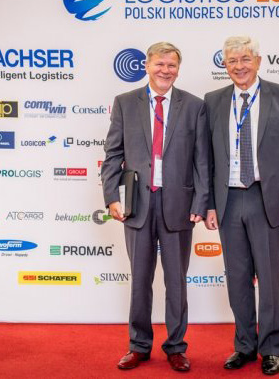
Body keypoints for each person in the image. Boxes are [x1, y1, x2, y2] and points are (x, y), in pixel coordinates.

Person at [101, 42, 209, 372]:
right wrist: (112, 197)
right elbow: (113, 155)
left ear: (178, 69)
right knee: (140, 280)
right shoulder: (125, 103)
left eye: (171, 65)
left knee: (176, 281)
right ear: (146, 66)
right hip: (137, 205)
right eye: (160, 64)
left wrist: (201, 201)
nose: (165, 70)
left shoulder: (194, 106)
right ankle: (139, 345)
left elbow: (202, 160)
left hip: (179, 205)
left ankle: (176, 346)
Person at [204, 36, 279, 375]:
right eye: (232, 61)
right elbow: (207, 158)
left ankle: (271, 349)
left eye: (245, 59)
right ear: (225, 65)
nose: (239, 66)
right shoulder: (213, 101)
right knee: (237, 278)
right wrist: (209, 204)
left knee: (269, 278)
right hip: (229, 199)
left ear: (258, 61)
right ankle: (245, 346)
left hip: (268, 200)